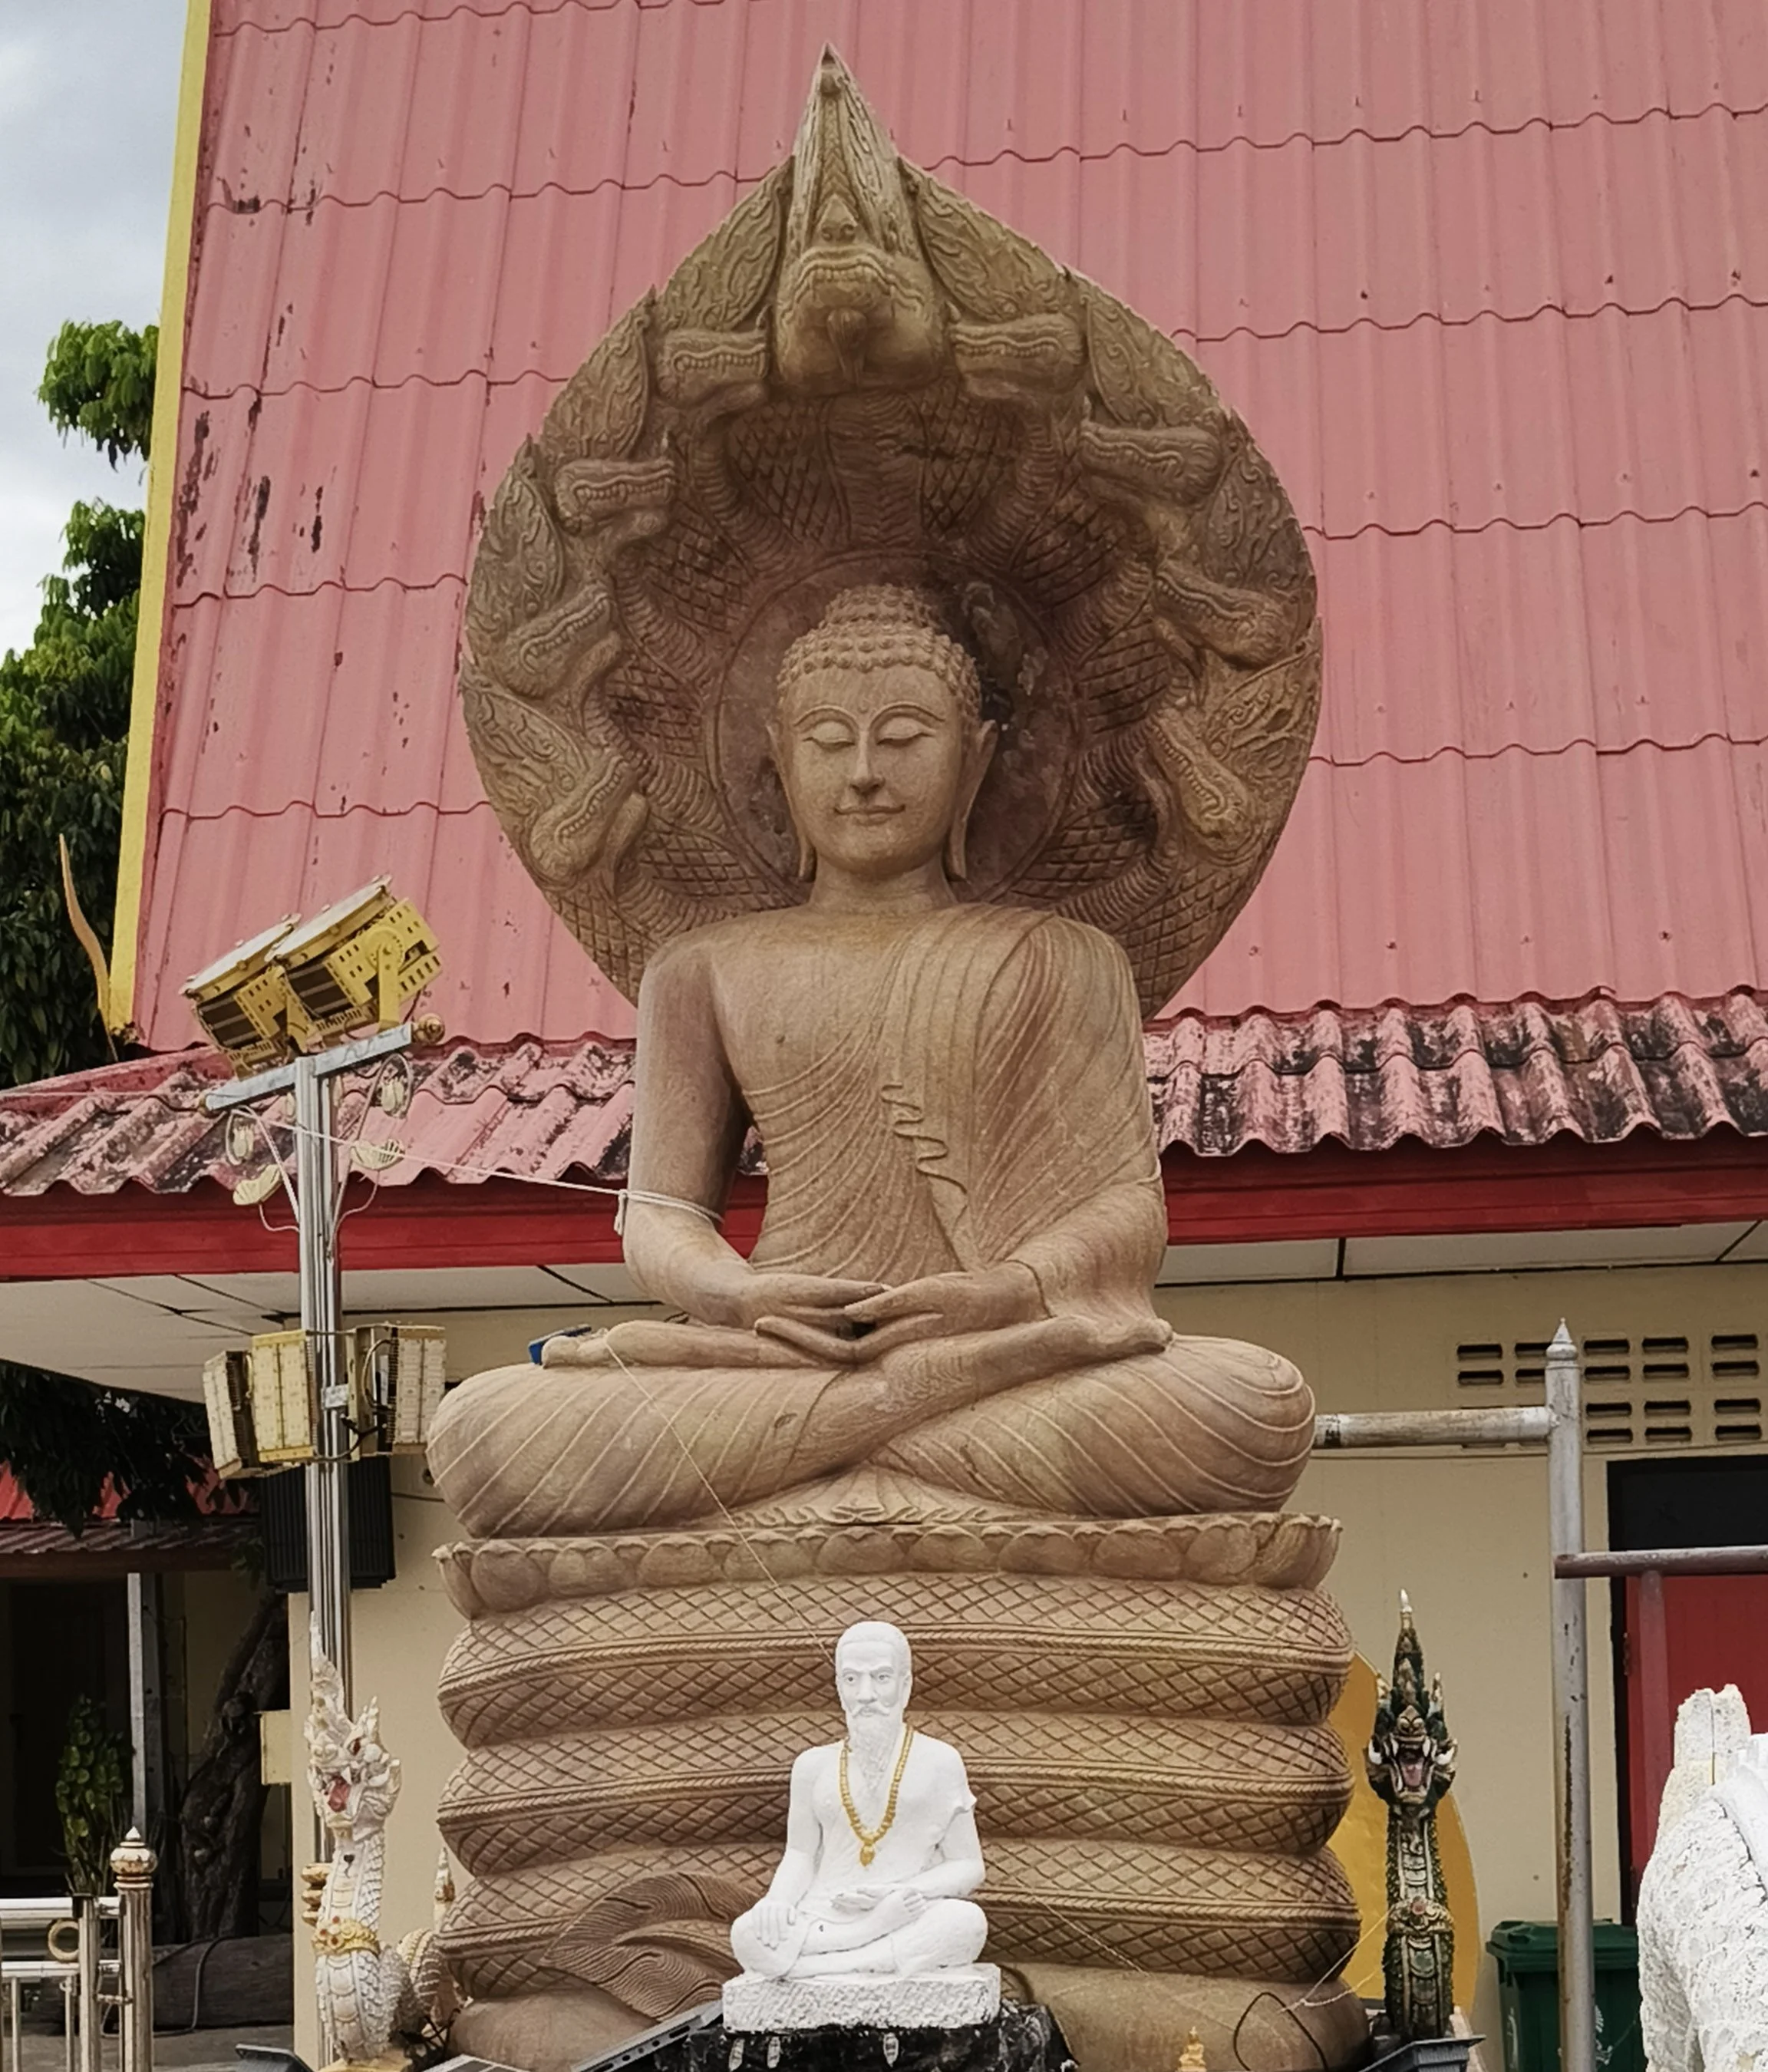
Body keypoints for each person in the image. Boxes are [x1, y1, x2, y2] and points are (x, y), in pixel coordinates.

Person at [427, 586, 1313, 1542]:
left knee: (1254, 1406)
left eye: (902, 737)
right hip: (781, 1352)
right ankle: (899, 1436)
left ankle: (837, 1460)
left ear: (974, 761)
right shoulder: (702, 966)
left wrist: (1004, 1293)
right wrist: (740, 1295)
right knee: (485, 1432)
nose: (861, 774)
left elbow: (1128, 1210)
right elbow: (663, 1219)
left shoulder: (1064, 955)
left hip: (998, 1342)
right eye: (826, 740)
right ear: (775, 751)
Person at [729, 1621, 988, 1984]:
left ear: (906, 1685)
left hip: (906, 1908)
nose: (865, 1694)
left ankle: (826, 1967)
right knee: (747, 1935)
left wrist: (903, 1892)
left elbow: (968, 1864)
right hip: (826, 1916)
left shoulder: (941, 1762)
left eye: (881, 1678)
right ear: (839, 1688)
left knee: (966, 1923)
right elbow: (801, 1854)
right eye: (852, 1680)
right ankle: (863, 1942)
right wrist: (778, 1902)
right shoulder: (812, 1766)